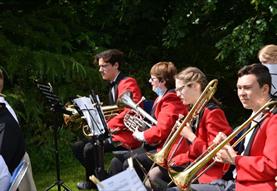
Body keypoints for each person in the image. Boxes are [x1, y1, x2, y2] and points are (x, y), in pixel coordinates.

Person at [186, 63, 277, 191]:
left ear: (265, 89)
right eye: (239, 88)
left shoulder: (273, 119)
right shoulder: (255, 114)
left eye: (247, 88)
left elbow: (272, 166)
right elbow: (246, 151)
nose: (241, 93)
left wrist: (235, 159)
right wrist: (226, 144)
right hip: (236, 182)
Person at [146, 67, 232, 191]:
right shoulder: (194, 110)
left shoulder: (213, 113)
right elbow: (193, 152)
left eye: (180, 89)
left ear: (196, 86)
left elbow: (216, 156)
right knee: (153, 176)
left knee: (154, 177)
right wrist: (175, 159)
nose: (177, 94)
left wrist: (190, 136)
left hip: (208, 172)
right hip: (195, 165)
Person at [72, 49, 143, 190]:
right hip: (117, 131)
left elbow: (131, 111)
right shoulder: (113, 85)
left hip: (128, 135)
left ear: (116, 65)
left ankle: (96, 183)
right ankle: (102, 178)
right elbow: (116, 112)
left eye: (104, 66)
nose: (100, 70)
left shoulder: (127, 82)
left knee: (90, 148)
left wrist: (108, 125)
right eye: (99, 66)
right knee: (78, 146)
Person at [108, 61, 188, 180]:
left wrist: (143, 134)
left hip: (165, 148)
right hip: (155, 145)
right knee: (116, 161)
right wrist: (144, 128)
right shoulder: (161, 98)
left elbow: (162, 130)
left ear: (162, 81)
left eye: (153, 79)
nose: (150, 81)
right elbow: (156, 125)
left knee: (129, 164)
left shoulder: (171, 100)